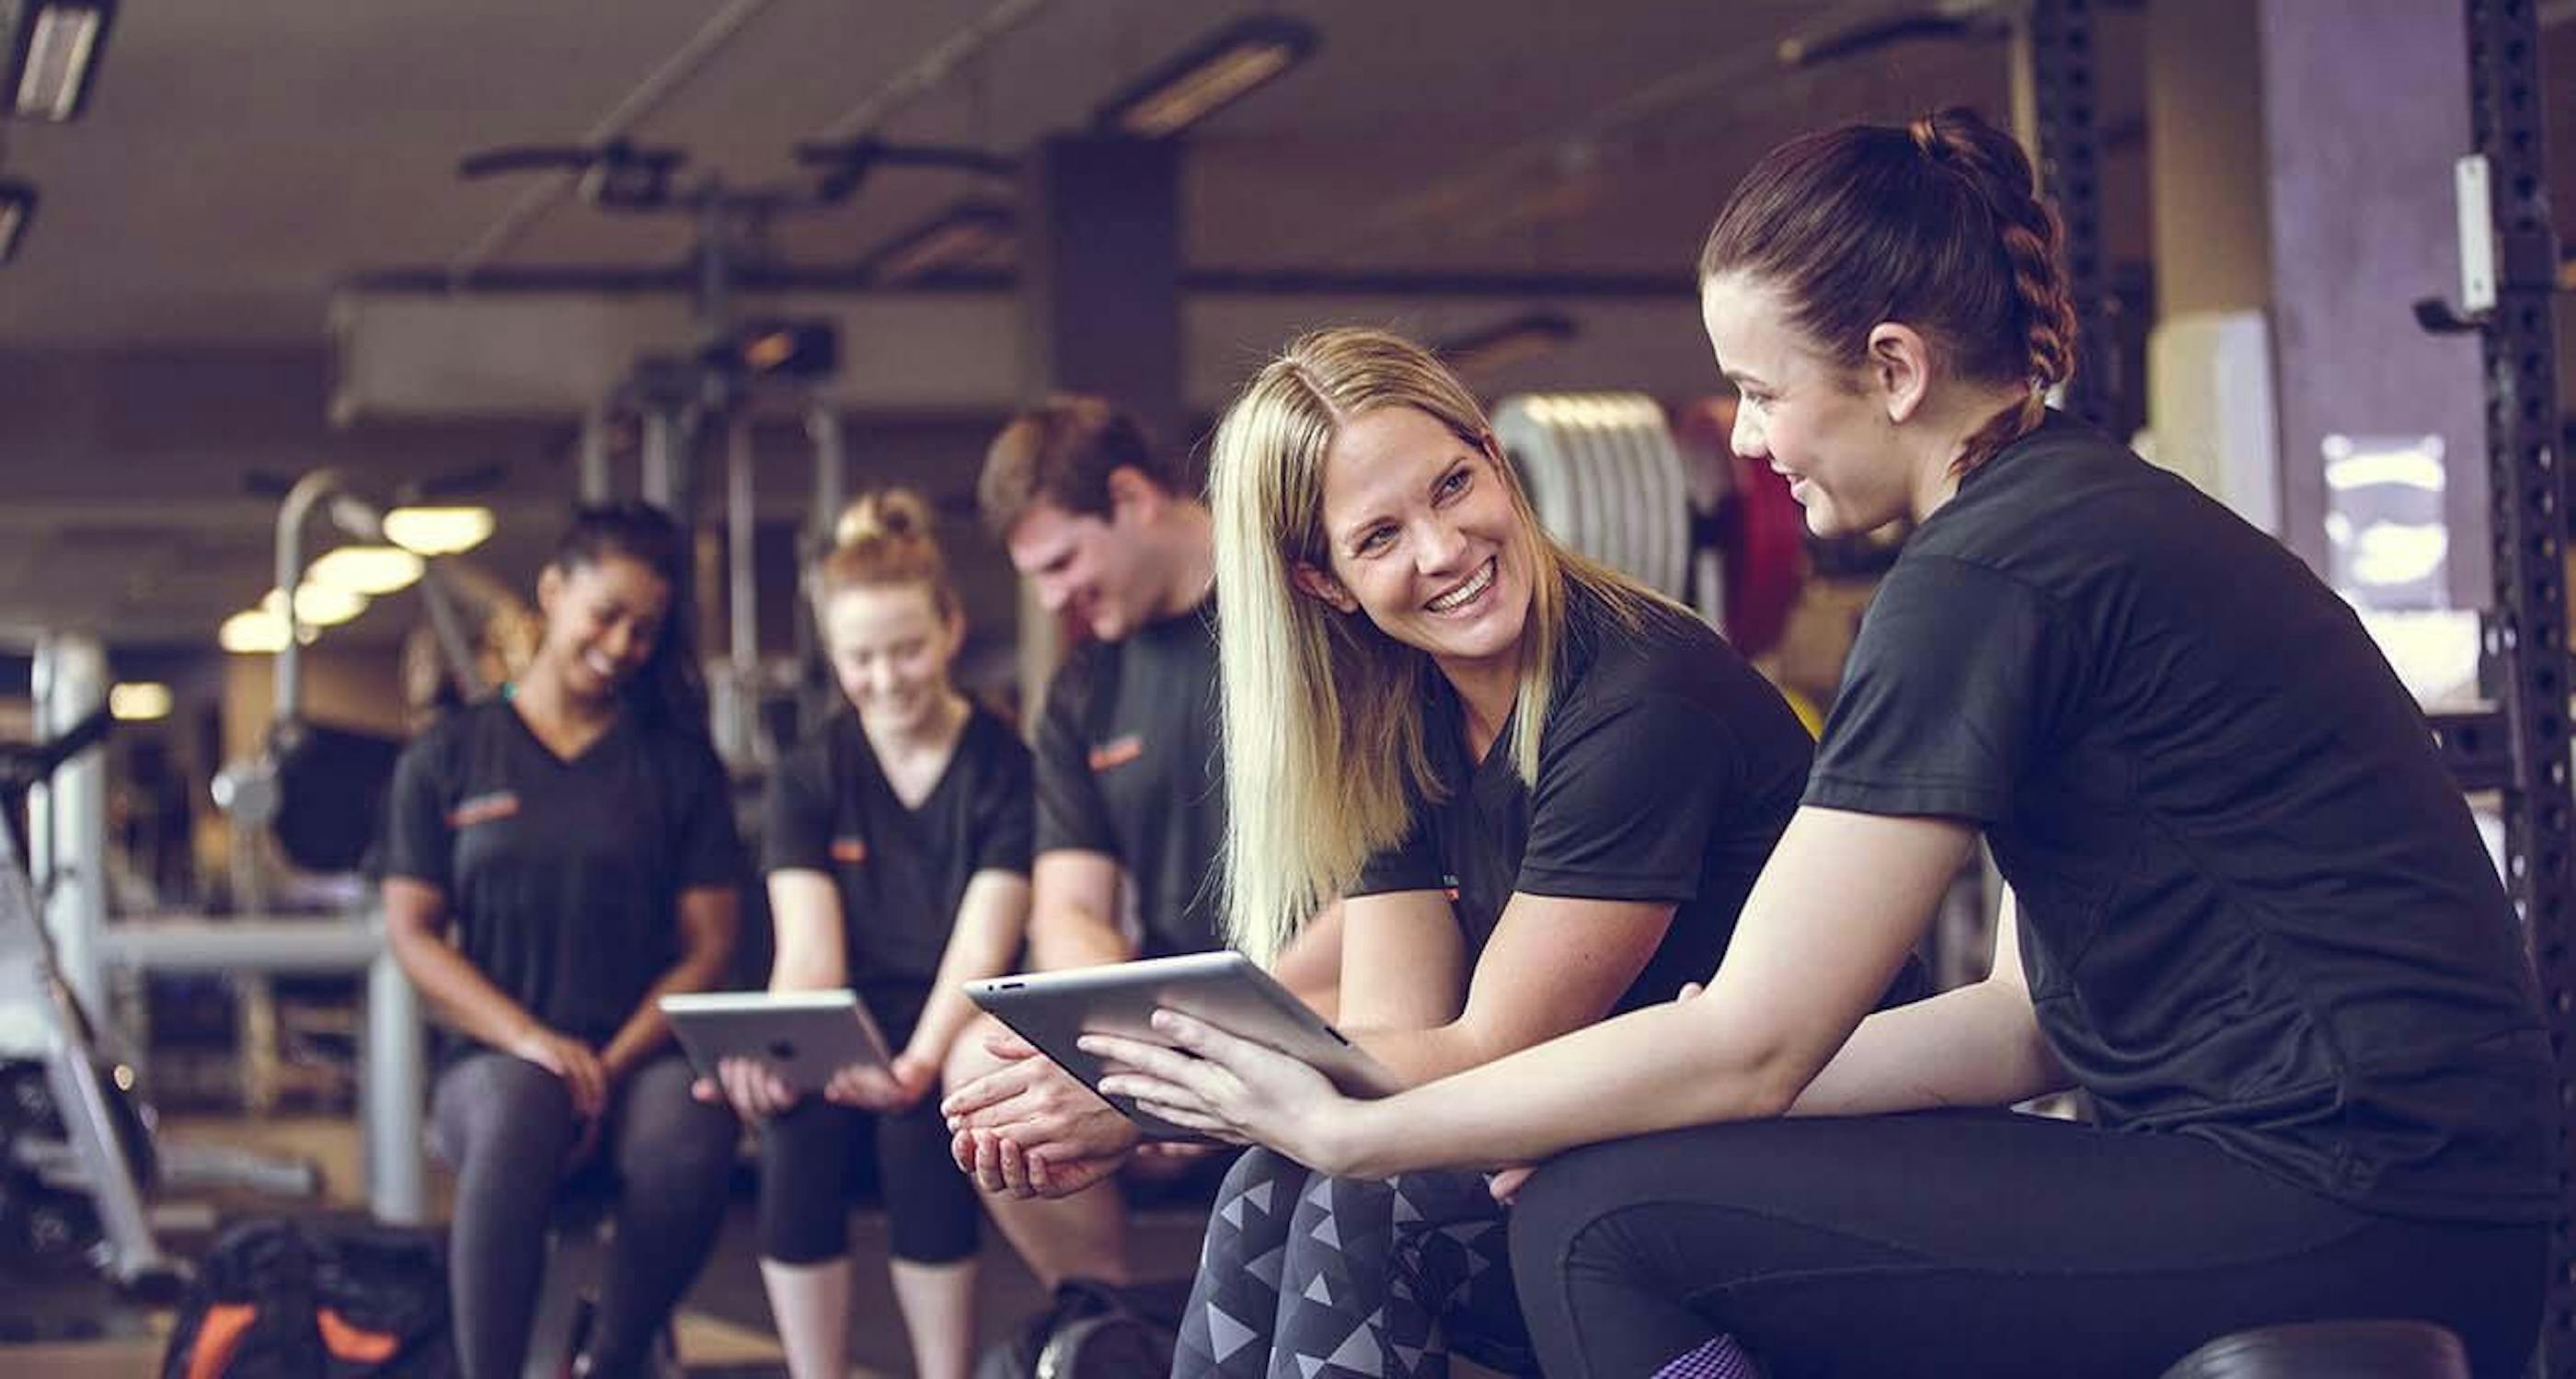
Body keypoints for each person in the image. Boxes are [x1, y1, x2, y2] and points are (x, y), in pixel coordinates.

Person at [1085, 109, 2559, 1379]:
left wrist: (1366, 1131)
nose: (1741, 437)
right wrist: (1514, 1112)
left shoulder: (1988, 574)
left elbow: (1754, 1033)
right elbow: (2021, 1019)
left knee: (1603, 1228)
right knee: (1598, 1184)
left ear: (1897, 369)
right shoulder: (2059, 521)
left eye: (1764, 387)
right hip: (2387, 1180)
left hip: (2356, 1192)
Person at [970, 330, 1830, 1378]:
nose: (1443, 548)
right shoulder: (1404, 719)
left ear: (1495, 459)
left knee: (1357, 1209)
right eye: (1377, 536)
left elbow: (1486, 1048)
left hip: (1776, 1160)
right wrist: (1140, 1079)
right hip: (1587, 1141)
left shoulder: (1639, 696)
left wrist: (1141, 1089)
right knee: (1273, 1185)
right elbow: (1391, 1033)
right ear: (1323, 581)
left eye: (1454, 484)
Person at [937, 396, 1344, 1297]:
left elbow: (1381, 894)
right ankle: (1107, 1321)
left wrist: (1190, 1056)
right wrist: (1121, 1052)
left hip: (1324, 990)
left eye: (1062, 561)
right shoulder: (1087, 685)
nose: (1051, 597)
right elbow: (1071, 909)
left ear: (1131, 498)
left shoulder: (1302, 610)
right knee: (980, 1063)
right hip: (1165, 1010)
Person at [381, 503, 743, 1379]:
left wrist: (607, 1064)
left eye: (645, 630)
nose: (622, 644)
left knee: (694, 1126)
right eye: (606, 614)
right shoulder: (449, 755)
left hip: (640, 1055)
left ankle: (611, 1360)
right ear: (553, 590)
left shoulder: (678, 765)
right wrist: (534, 1041)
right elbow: (413, 933)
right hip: (492, 1061)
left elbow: (710, 946)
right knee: (523, 1099)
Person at [699, 489, 1034, 1379]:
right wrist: (787, 1048)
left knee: (924, 1121)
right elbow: (807, 951)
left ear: (952, 627)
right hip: (850, 1009)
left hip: (955, 1011)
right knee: (799, 1125)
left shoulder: (1004, 764)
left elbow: (985, 940)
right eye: (860, 660)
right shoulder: (810, 773)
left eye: (907, 650)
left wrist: (917, 1064)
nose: (886, 679)